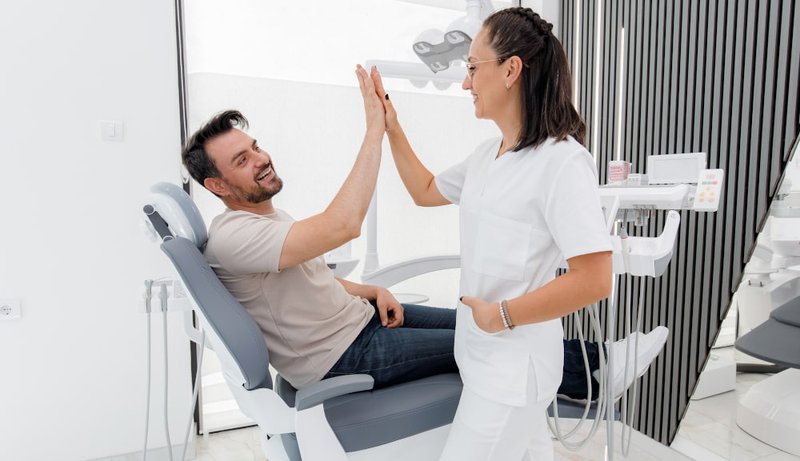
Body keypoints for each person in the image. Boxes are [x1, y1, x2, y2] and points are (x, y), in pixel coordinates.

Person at [180, 68, 663, 403]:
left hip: (361, 320)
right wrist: (372, 130)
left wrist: (370, 291)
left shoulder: (266, 218)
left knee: (474, 324)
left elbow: (307, 275)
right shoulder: (234, 237)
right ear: (217, 186)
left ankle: (593, 364)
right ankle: (596, 373)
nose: (261, 158)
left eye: (255, 146)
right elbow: (344, 225)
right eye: (241, 160)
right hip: (343, 356)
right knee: (484, 340)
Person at [371, 7, 667, 460]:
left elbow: (594, 278)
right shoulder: (488, 154)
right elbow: (425, 190)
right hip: (481, 359)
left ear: (511, 70)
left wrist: (501, 315)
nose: (466, 82)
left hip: (511, 370)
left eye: (472, 67)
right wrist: (390, 126)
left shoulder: (562, 161)